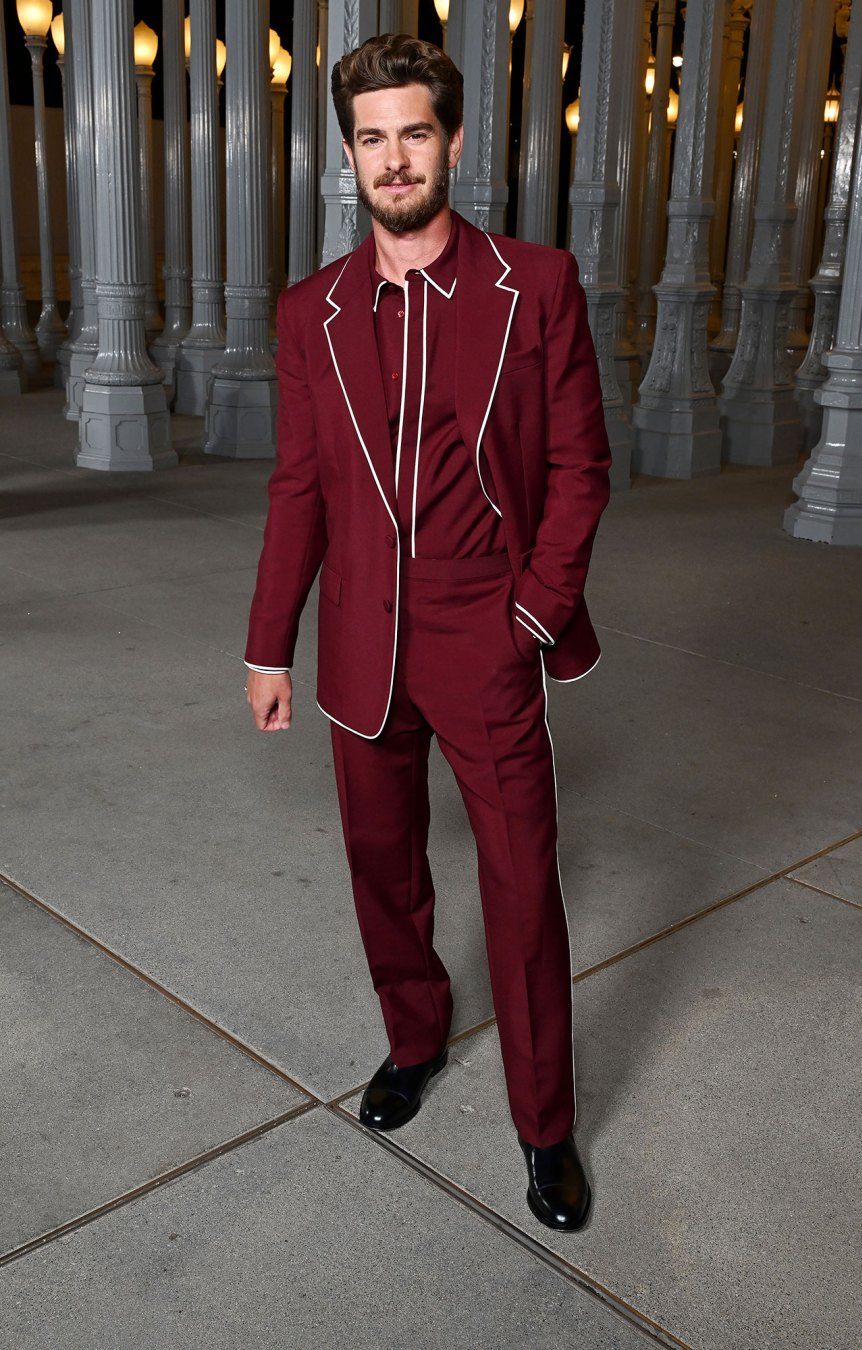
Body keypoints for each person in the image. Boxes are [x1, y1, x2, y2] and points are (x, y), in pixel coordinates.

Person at [244, 33, 610, 1232]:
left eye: (413, 132)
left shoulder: (537, 285)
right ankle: (413, 1040)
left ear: (452, 142)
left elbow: (578, 469)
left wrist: (532, 616)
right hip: (360, 641)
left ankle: (545, 1126)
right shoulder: (313, 311)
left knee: (519, 885)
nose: (393, 158)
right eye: (371, 138)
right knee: (383, 870)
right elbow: (299, 485)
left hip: (484, 632)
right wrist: (269, 645)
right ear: (347, 156)